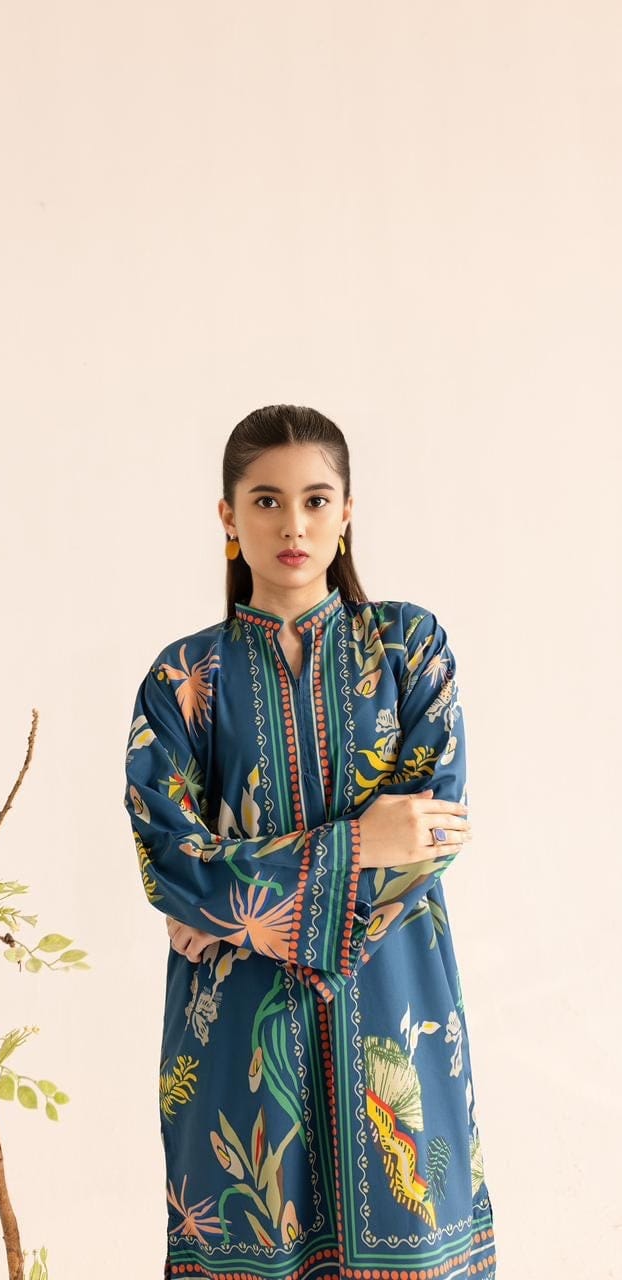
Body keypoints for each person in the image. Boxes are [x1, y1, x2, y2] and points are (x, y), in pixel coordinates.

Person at [123, 404, 496, 1279]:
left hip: (396, 1009)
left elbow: (431, 830)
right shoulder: (183, 680)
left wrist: (237, 911)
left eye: (316, 500)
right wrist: (361, 840)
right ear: (228, 516)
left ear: (347, 511)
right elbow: (170, 863)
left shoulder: (408, 648)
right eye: (266, 501)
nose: (293, 525)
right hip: (236, 1034)